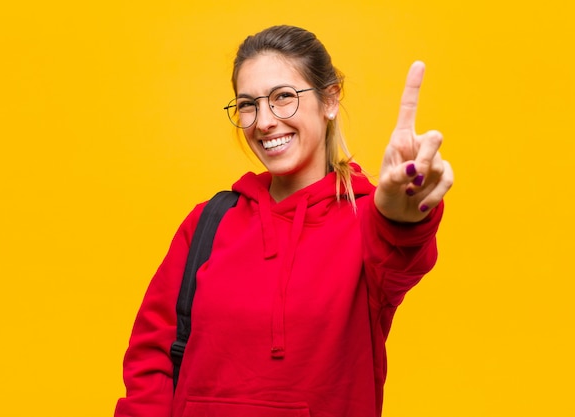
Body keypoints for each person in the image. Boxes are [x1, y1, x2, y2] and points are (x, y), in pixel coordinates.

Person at [114, 25, 453, 417]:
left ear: (330, 100)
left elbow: (402, 255)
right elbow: (151, 357)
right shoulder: (209, 222)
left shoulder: (367, 222)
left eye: (283, 98)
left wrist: (401, 215)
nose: (264, 121)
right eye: (248, 104)